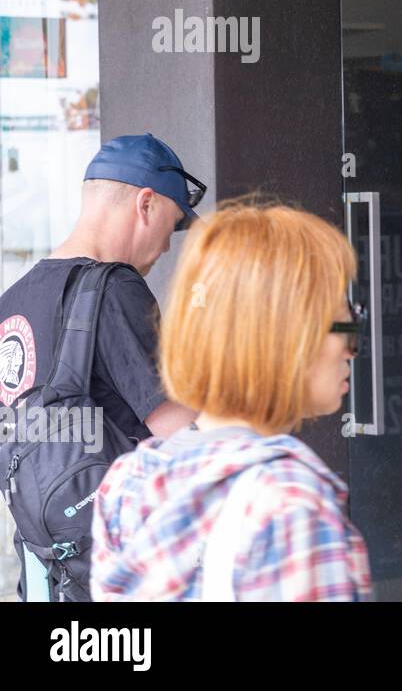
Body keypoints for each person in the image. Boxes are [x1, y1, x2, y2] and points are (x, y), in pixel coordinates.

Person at [91, 200, 372, 601]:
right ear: (287, 334)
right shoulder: (294, 504)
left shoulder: (127, 484)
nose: (352, 348)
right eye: (346, 322)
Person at [0, 133, 201, 600]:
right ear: (145, 204)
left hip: (46, 573)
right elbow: (181, 433)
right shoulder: (114, 288)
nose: (167, 248)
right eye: (170, 227)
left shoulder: (12, 302)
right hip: (124, 575)